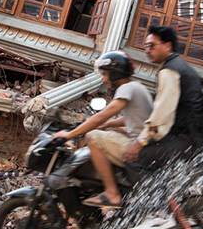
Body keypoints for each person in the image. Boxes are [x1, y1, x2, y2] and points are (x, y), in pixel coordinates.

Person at [123, 24, 203, 229]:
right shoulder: (180, 66)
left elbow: (161, 116)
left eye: (151, 45)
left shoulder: (169, 70)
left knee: (133, 159)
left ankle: (155, 214)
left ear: (167, 45)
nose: (147, 50)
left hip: (184, 141)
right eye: (146, 46)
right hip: (194, 139)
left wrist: (139, 143)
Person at [52, 51, 153, 208]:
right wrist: (107, 125)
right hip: (147, 146)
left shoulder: (125, 88)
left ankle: (111, 193)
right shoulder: (137, 87)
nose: (104, 79)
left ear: (115, 73)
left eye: (106, 74)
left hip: (138, 149)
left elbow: (102, 115)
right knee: (103, 133)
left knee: (93, 137)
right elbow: (132, 118)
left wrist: (69, 134)